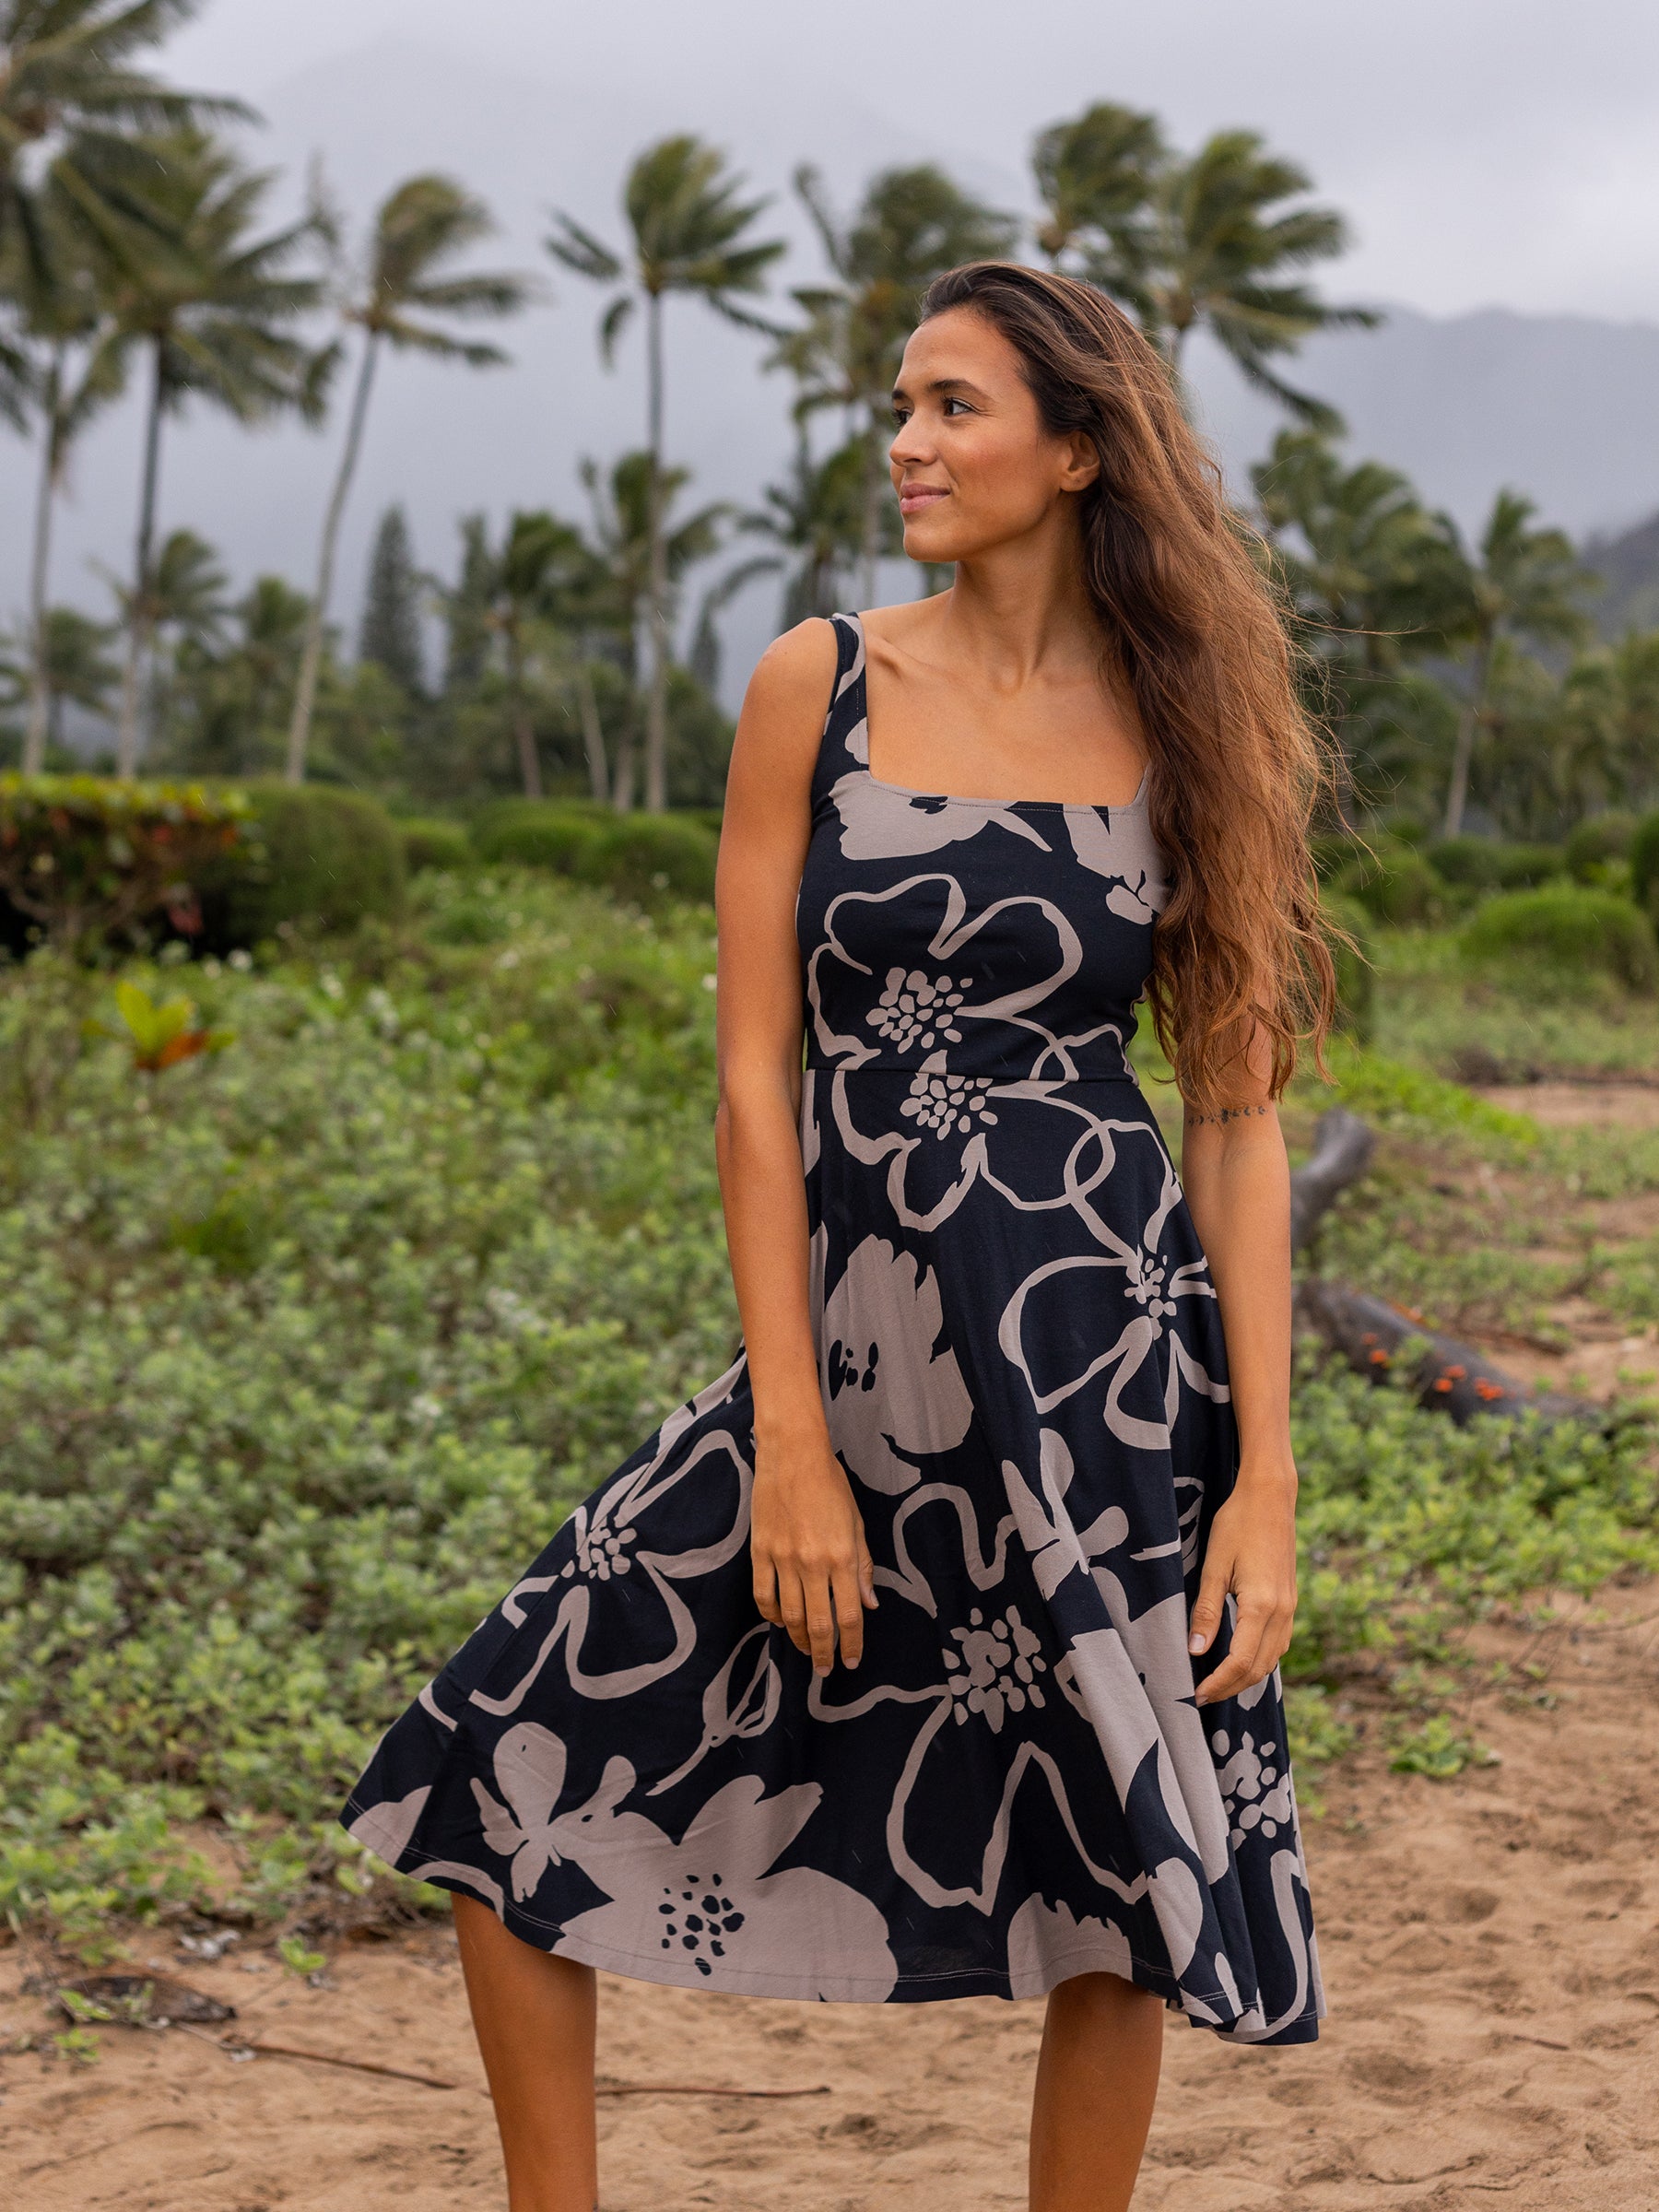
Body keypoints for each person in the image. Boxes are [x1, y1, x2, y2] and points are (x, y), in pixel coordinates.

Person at [343, 259, 1333, 2212]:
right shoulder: (824, 680)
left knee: (1128, 1872)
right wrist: (790, 1437)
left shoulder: (1184, 721)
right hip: (854, 1343)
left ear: (1075, 446)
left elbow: (1232, 1121)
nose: (906, 440)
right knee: (505, 1750)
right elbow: (748, 1081)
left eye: (954, 405)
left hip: (1106, 1363)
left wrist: (1271, 1481)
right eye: (902, 402)